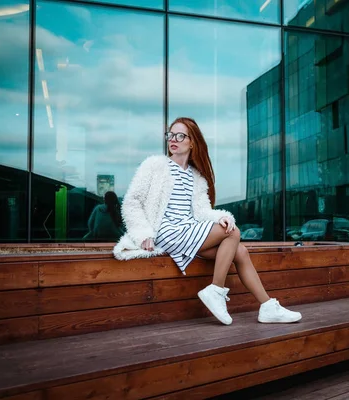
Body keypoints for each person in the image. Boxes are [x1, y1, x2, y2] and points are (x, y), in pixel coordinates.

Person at [114, 117, 301, 325]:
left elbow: (203, 211)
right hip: (167, 232)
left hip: (189, 231)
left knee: (240, 251)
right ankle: (216, 290)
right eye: (170, 134)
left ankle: (267, 307)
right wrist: (143, 233)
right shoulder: (155, 165)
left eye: (180, 135)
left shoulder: (196, 177)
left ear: (192, 142)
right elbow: (131, 202)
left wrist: (221, 217)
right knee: (233, 232)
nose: (173, 139)